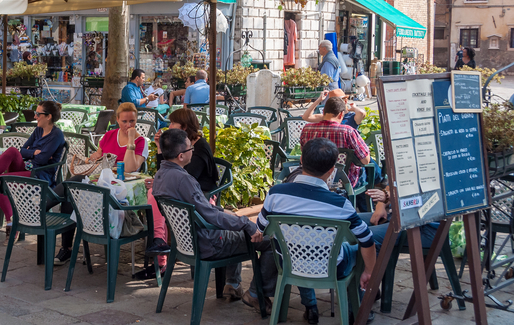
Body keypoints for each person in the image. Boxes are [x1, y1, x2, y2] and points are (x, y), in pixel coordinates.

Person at [153, 129, 278, 314]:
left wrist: (231, 216)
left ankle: (232, 284)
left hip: (186, 242)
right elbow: (211, 216)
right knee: (271, 241)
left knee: (232, 222)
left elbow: (206, 210)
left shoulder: (159, 175)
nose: (193, 151)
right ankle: (254, 293)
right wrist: (245, 223)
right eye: (190, 148)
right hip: (208, 243)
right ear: (181, 156)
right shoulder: (184, 179)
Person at [254, 137, 376, 324]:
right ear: (331, 170)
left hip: (289, 264)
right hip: (333, 268)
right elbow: (366, 239)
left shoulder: (275, 193)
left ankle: (311, 307)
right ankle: (357, 308)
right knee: (357, 248)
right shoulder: (340, 204)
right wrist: (369, 270)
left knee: (297, 247)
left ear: (301, 160)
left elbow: (261, 227)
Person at [51, 102, 147, 265]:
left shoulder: (140, 141)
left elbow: (130, 167)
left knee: (74, 184)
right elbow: (98, 155)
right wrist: (91, 159)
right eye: (124, 121)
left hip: (121, 188)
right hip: (100, 181)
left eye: (132, 121)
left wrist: (131, 139)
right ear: (117, 120)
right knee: (72, 192)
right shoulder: (109, 136)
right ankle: (66, 248)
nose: (128, 125)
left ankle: (45, 204)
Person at [0, 101, 64, 234]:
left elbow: (42, 160)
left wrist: (35, 154)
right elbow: (22, 151)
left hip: (39, 175)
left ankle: (10, 222)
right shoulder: (39, 130)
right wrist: (34, 152)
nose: (35, 116)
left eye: (38, 114)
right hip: (28, 168)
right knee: (12, 151)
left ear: (48, 116)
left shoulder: (56, 135)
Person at [145, 108, 219, 269]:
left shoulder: (199, 148)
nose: (169, 126)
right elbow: (166, 171)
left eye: (173, 123)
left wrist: (161, 181)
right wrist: (160, 148)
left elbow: (185, 178)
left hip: (201, 194)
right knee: (155, 192)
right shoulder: (181, 145)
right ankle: (159, 247)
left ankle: (160, 248)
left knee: (156, 193)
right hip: (184, 189)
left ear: (184, 127)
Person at [299, 96, 373, 191]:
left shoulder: (307, 129)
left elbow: (304, 153)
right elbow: (365, 160)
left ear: (323, 111)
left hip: (313, 178)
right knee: (367, 171)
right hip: (342, 182)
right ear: (341, 114)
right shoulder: (348, 131)